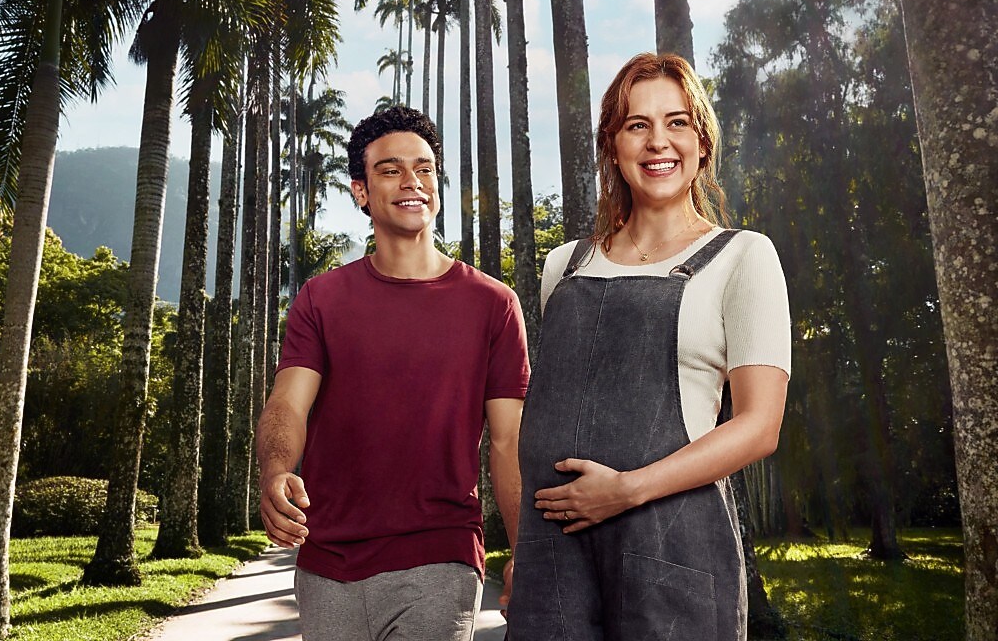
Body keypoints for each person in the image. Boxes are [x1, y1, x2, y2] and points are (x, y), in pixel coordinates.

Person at [505, 53, 790, 641]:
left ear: (702, 142)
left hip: (673, 552)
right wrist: (523, 553)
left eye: (678, 122)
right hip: (554, 561)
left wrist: (625, 490)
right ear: (612, 146)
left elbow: (760, 426)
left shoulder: (743, 256)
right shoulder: (565, 266)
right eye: (637, 125)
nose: (658, 140)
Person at [256, 106, 529, 641]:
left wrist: (526, 554)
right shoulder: (322, 298)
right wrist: (274, 471)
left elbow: (509, 439)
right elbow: (288, 402)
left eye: (425, 168)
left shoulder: (493, 304)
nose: (413, 182)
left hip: (439, 555)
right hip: (327, 562)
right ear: (361, 191)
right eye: (391, 170)